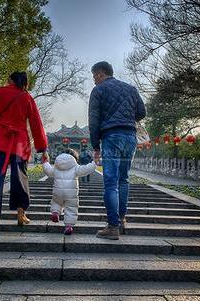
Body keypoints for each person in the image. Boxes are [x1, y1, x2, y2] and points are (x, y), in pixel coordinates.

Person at [0, 71, 48, 238]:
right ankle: (20, 214)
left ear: (10, 79)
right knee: (20, 180)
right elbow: (36, 124)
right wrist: (42, 148)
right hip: (20, 143)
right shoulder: (27, 98)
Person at [88, 61, 146, 240]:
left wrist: (96, 146)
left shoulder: (98, 90)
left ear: (99, 74)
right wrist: (127, 118)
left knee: (111, 183)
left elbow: (94, 120)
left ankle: (113, 227)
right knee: (124, 180)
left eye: (94, 76)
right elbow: (142, 112)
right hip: (130, 137)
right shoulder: (131, 89)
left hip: (111, 137)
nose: (94, 80)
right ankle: (121, 220)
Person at [42, 148, 96, 235]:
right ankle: (68, 226)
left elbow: (48, 170)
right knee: (71, 208)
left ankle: (55, 212)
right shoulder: (75, 167)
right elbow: (86, 169)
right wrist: (94, 163)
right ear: (75, 157)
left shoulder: (56, 167)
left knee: (56, 202)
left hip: (58, 192)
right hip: (71, 194)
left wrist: (45, 161)